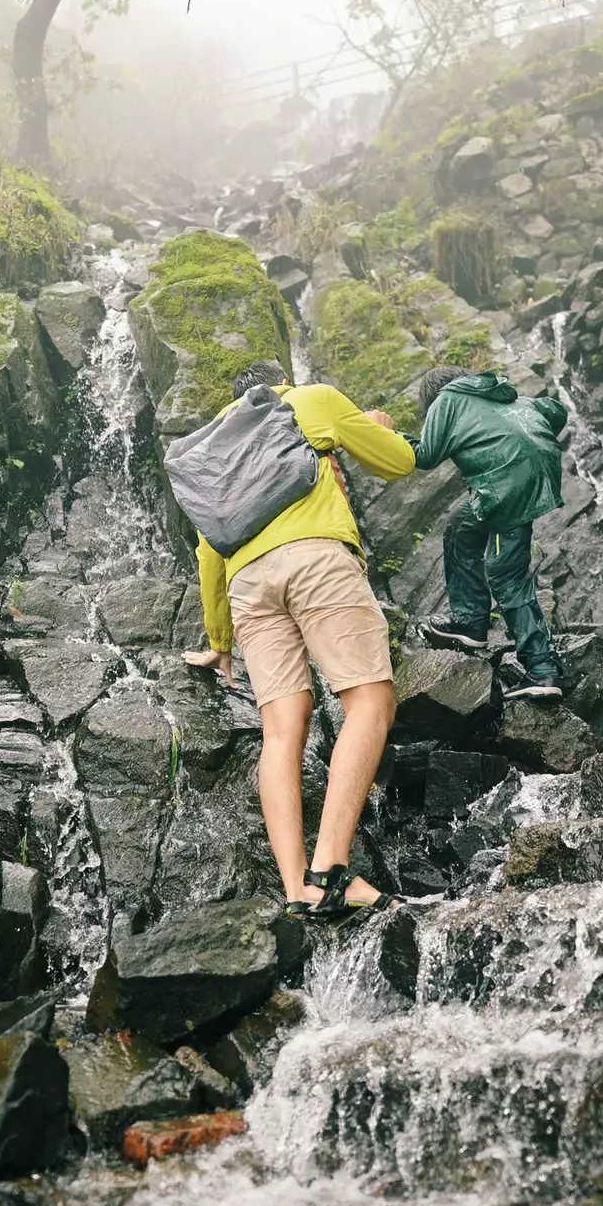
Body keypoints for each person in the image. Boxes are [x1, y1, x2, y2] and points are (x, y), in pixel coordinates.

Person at [181, 359, 417, 922]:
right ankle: (332, 871)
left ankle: (296, 888)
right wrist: (374, 427)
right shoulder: (310, 400)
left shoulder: (213, 448)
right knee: (369, 700)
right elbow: (400, 463)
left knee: (282, 731)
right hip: (315, 560)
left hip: (248, 587)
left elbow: (209, 552)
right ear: (280, 380)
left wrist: (220, 639)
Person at [408, 365, 568, 700]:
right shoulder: (504, 396)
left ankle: (542, 668)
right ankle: (470, 623)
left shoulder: (447, 398)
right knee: (460, 526)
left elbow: (425, 455)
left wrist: (387, 436)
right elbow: (556, 410)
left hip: (505, 486)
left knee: (505, 574)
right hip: (528, 478)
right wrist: (529, 441)